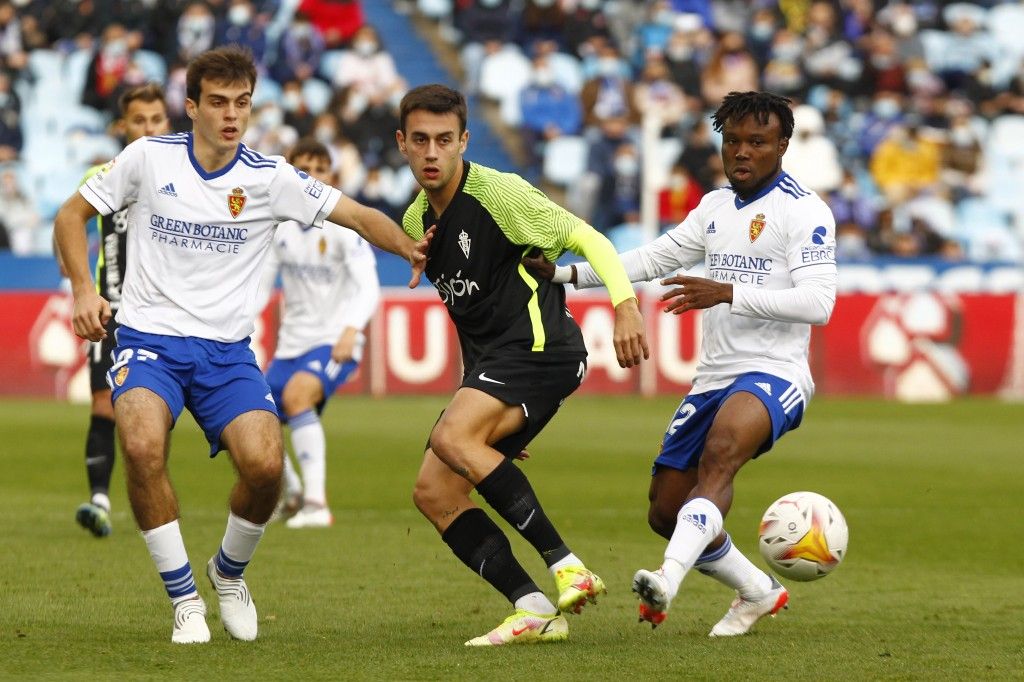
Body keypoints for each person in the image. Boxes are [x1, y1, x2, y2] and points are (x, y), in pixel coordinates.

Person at [53, 45, 428, 645]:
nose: (232, 115)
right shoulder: (147, 159)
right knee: (143, 446)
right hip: (150, 339)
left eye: (243, 103)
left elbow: (356, 216)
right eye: (219, 102)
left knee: (266, 467)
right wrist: (80, 289)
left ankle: (228, 575)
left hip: (227, 352)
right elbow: (70, 216)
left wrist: (410, 247)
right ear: (192, 106)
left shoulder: (270, 177)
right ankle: (184, 600)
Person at [533, 91, 837, 636]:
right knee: (666, 510)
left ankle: (666, 582)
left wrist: (726, 291)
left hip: (775, 370)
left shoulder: (805, 210)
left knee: (721, 455)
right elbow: (655, 258)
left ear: (783, 146)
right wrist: (566, 276)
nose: (742, 152)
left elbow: (818, 302)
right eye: (733, 141)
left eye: (758, 143)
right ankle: (757, 590)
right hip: (714, 375)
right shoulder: (716, 206)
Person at [395, 84, 648, 647]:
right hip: (500, 363)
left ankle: (567, 566)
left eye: (444, 140)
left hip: (544, 349)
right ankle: (533, 608)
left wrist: (625, 305)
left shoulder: (500, 194)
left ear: (464, 140)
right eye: (420, 141)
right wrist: (480, 406)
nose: (432, 152)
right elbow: (467, 316)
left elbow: (588, 237)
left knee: (452, 437)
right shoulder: (416, 223)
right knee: (434, 492)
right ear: (402, 145)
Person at [258, 138, 381, 529]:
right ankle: (291, 491)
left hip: (334, 341)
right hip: (290, 345)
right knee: (248, 420)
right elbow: (260, 287)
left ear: (332, 176)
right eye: (303, 170)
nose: (312, 178)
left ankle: (316, 504)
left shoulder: (346, 228)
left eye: (320, 169)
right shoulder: (279, 229)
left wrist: (351, 331)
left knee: (296, 397)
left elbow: (369, 287)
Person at [73, 83, 171, 539]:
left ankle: (150, 497)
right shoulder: (102, 173)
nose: (148, 128)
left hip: (163, 313)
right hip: (111, 309)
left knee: (155, 414)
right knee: (102, 404)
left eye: (156, 119)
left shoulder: (179, 176)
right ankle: (99, 499)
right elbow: (70, 225)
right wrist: (79, 285)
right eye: (139, 120)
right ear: (122, 126)